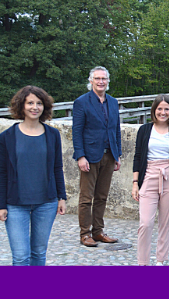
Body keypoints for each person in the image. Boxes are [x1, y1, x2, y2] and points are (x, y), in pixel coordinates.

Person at [0, 86, 68, 266]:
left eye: (39, 103)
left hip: (46, 203)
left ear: (45, 107)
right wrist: (0, 205)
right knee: (20, 257)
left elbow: (57, 167)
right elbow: (1, 172)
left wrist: (62, 197)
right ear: (22, 106)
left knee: (38, 254)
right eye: (30, 103)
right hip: (15, 205)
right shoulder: (7, 137)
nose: (35, 107)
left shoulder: (52, 135)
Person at [130, 95, 169, 265]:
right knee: (146, 223)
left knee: (165, 223)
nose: (163, 112)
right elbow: (138, 156)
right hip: (148, 175)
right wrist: (135, 183)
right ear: (154, 110)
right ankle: (143, 263)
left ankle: (161, 260)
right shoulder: (145, 130)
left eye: (166, 109)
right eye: (160, 109)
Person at [72, 66, 122, 247]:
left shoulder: (113, 102)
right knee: (86, 198)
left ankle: (98, 231)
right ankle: (85, 234)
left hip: (109, 156)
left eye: (104, 79)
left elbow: (116, 130)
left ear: (108, 81)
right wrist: (80, 156)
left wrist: (118, 155)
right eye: (97, 78)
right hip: (89, 156)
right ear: (91, 81)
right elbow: (76, 132)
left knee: (102, 196)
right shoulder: (82, 102)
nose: (101, 82)